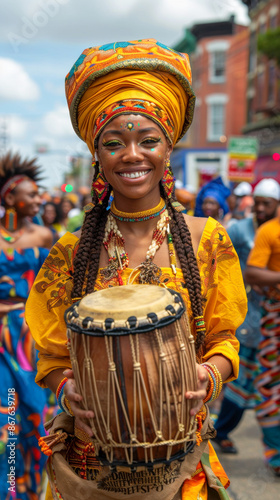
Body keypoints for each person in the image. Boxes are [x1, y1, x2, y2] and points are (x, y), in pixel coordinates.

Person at [25, 39, 247, 499]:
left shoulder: (208, 240)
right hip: (89, 465)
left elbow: (225, 339)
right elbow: (48, 357)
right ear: (97, 155)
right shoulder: (70, 253)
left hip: (180, 464)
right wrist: (66, 393)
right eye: (114, 142)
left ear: (167, 148)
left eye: (148, 140)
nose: (132, 155)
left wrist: (210, 375)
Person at [0, 152, 53, 499]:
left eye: (38, 195)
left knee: (35, 410)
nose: (38, 200)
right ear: (9, 198)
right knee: (6, 416)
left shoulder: (44, 237)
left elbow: (54, 291)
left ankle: (32, 490)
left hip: (29, 337)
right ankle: (7, 490)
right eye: (31, 195)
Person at [213, 178, 280, 454]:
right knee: (245, 377)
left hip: (265, 311)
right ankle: (222, 430)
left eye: (268, 203)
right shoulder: (239, 230)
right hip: (247, 311)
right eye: (259, 202)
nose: (261, 207)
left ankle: (222, 429)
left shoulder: (268, 230)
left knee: (253, 378)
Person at [244, 178, 280, 477]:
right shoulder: (269, 231)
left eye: (265, 203)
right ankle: (277, 453)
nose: (260, 209)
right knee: (268, 385)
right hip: (273, 315)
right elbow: (252, 272)